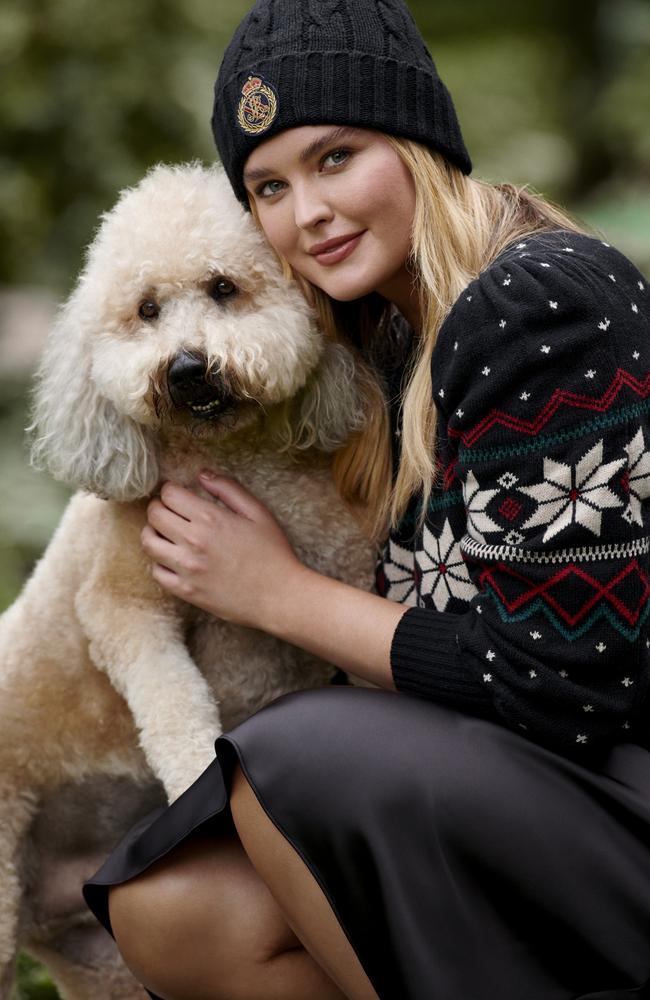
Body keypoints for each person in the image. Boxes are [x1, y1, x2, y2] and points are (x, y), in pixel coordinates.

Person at [82, 1, 650, 997]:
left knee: (286, 756)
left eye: (336, 157)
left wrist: (275, 592)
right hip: (516, 778)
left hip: (616, 779)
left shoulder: (537, 305)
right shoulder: (382, 341)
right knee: (172, 911)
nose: (306, 213)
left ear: (415, 140)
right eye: (268, 186)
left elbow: (559, 683)